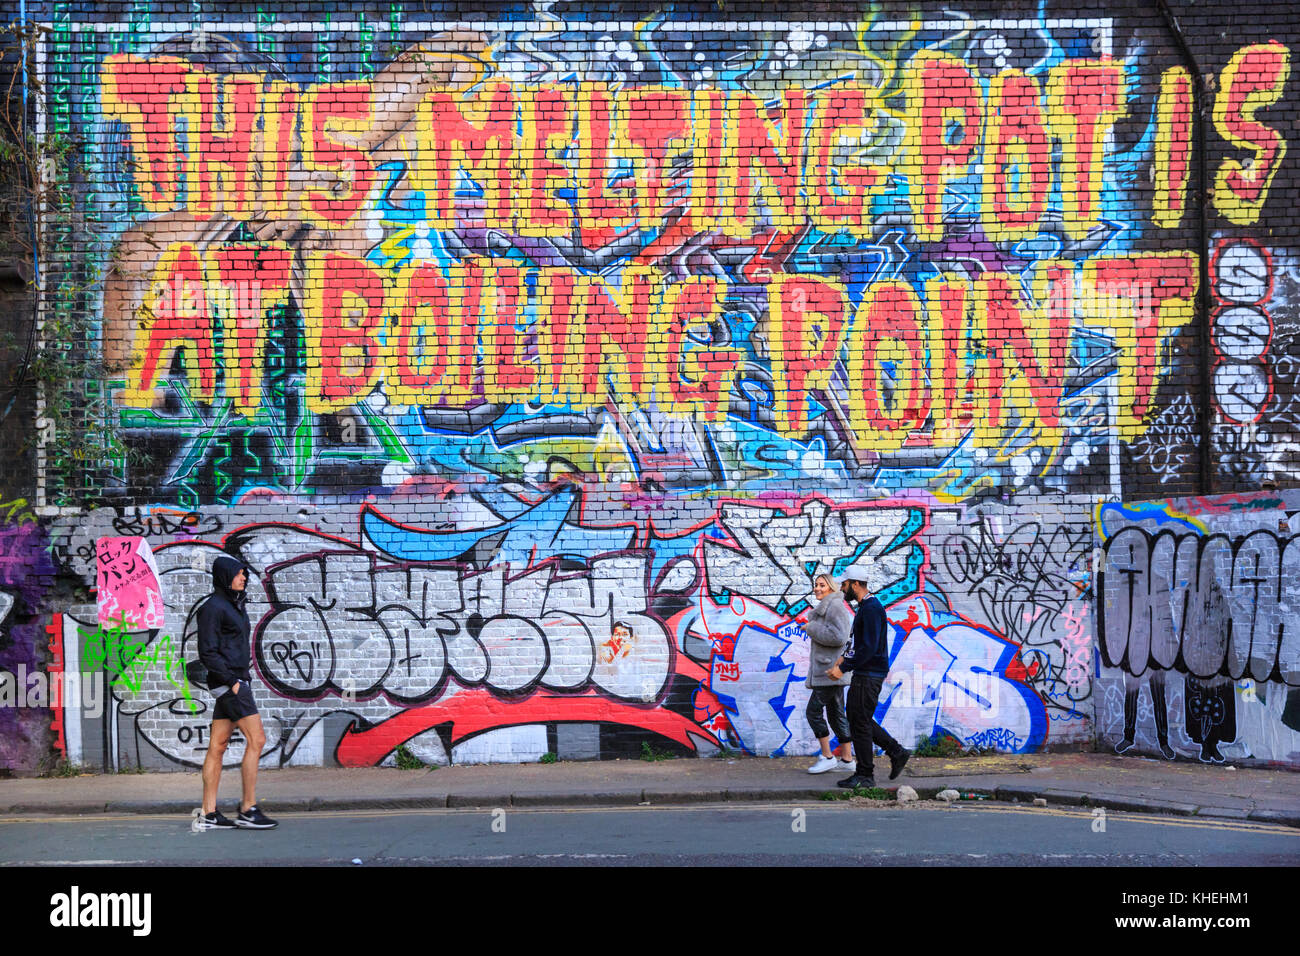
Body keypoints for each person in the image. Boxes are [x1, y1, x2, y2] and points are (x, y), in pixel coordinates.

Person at [194, 554, 277, 830]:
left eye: (244, 574)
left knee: (217, 746)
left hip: (233, 681)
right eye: (239, 573)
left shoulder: (233, 605)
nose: (244, 577)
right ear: (225, 576)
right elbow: (207, 651)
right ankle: (248, 808)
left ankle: (208, 813)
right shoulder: (213, 608)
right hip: (229, 683)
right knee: (258, 740)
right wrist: (233, 682)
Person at [828, 565, 910, 789]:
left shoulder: (871, 608)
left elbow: (870, 647)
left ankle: (865, 775)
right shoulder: (865, 607)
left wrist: (844, 668)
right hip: (865, 671)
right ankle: (896, 752)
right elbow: (860, 643)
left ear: (855, 584)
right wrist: (843, 659)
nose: (842, 589)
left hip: (869, 673)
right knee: (858, 719)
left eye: (844, 585)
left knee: (859, 721)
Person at [802, 574, 855, 774]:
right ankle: (848, 760)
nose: (817, 588)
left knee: (813, 712)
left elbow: (839, 637)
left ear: (832, 588)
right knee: (836, 714)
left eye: (822, 585)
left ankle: (827, 756)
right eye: (816, 585)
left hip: (830, 672)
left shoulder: (835, 607)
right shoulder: (828, 607)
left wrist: (811, 628)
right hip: (829, 671)